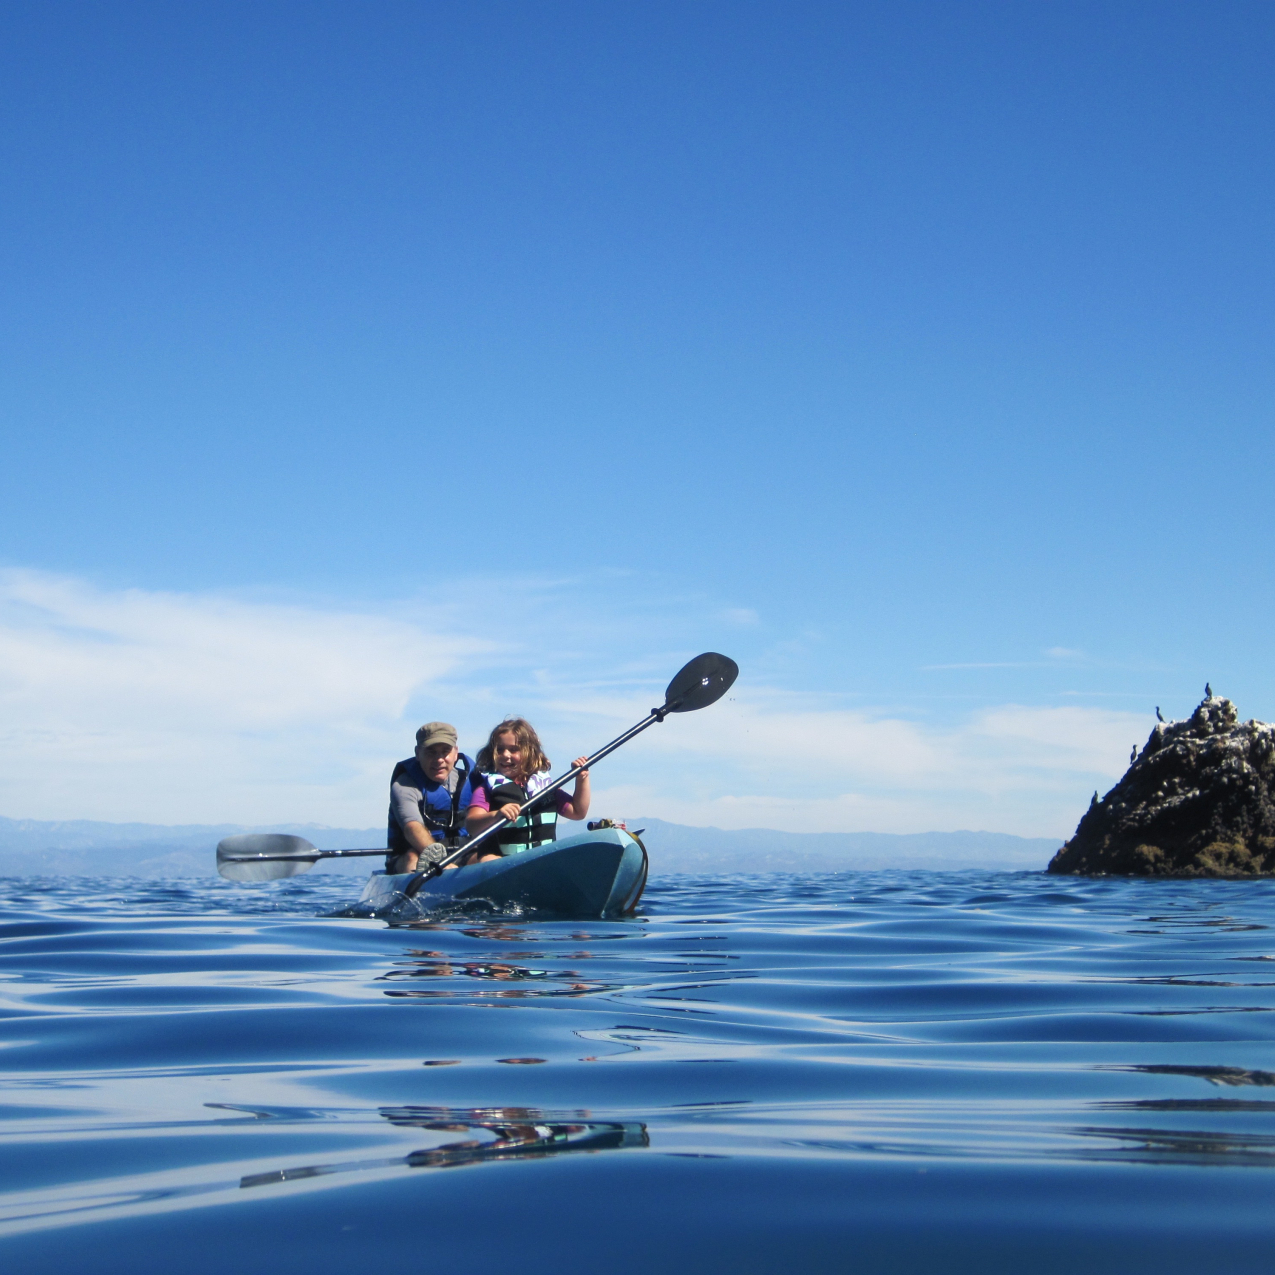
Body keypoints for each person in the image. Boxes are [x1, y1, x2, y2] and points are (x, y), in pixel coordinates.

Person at [463, 717, 591, 860]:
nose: (505, 755)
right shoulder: (486, 789)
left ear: (529, 752)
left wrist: (581, 779)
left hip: (541, 860)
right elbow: (471, 825)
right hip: (504, 863)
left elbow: (578, 812)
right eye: (500, 750)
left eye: (513, 750)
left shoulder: (545, 787)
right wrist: (497, 815)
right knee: (486, 858)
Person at [386, 722, 482, 874]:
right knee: (413, 859)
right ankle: (418, 896)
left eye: (445, 752)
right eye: (431, 752)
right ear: (418, 753)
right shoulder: (404, 785)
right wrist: (440, 861)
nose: (439, 759)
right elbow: (412, 827)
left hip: (462, 852)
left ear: (456, 753)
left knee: (486, 859)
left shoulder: (475, 781)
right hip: (414, 854)